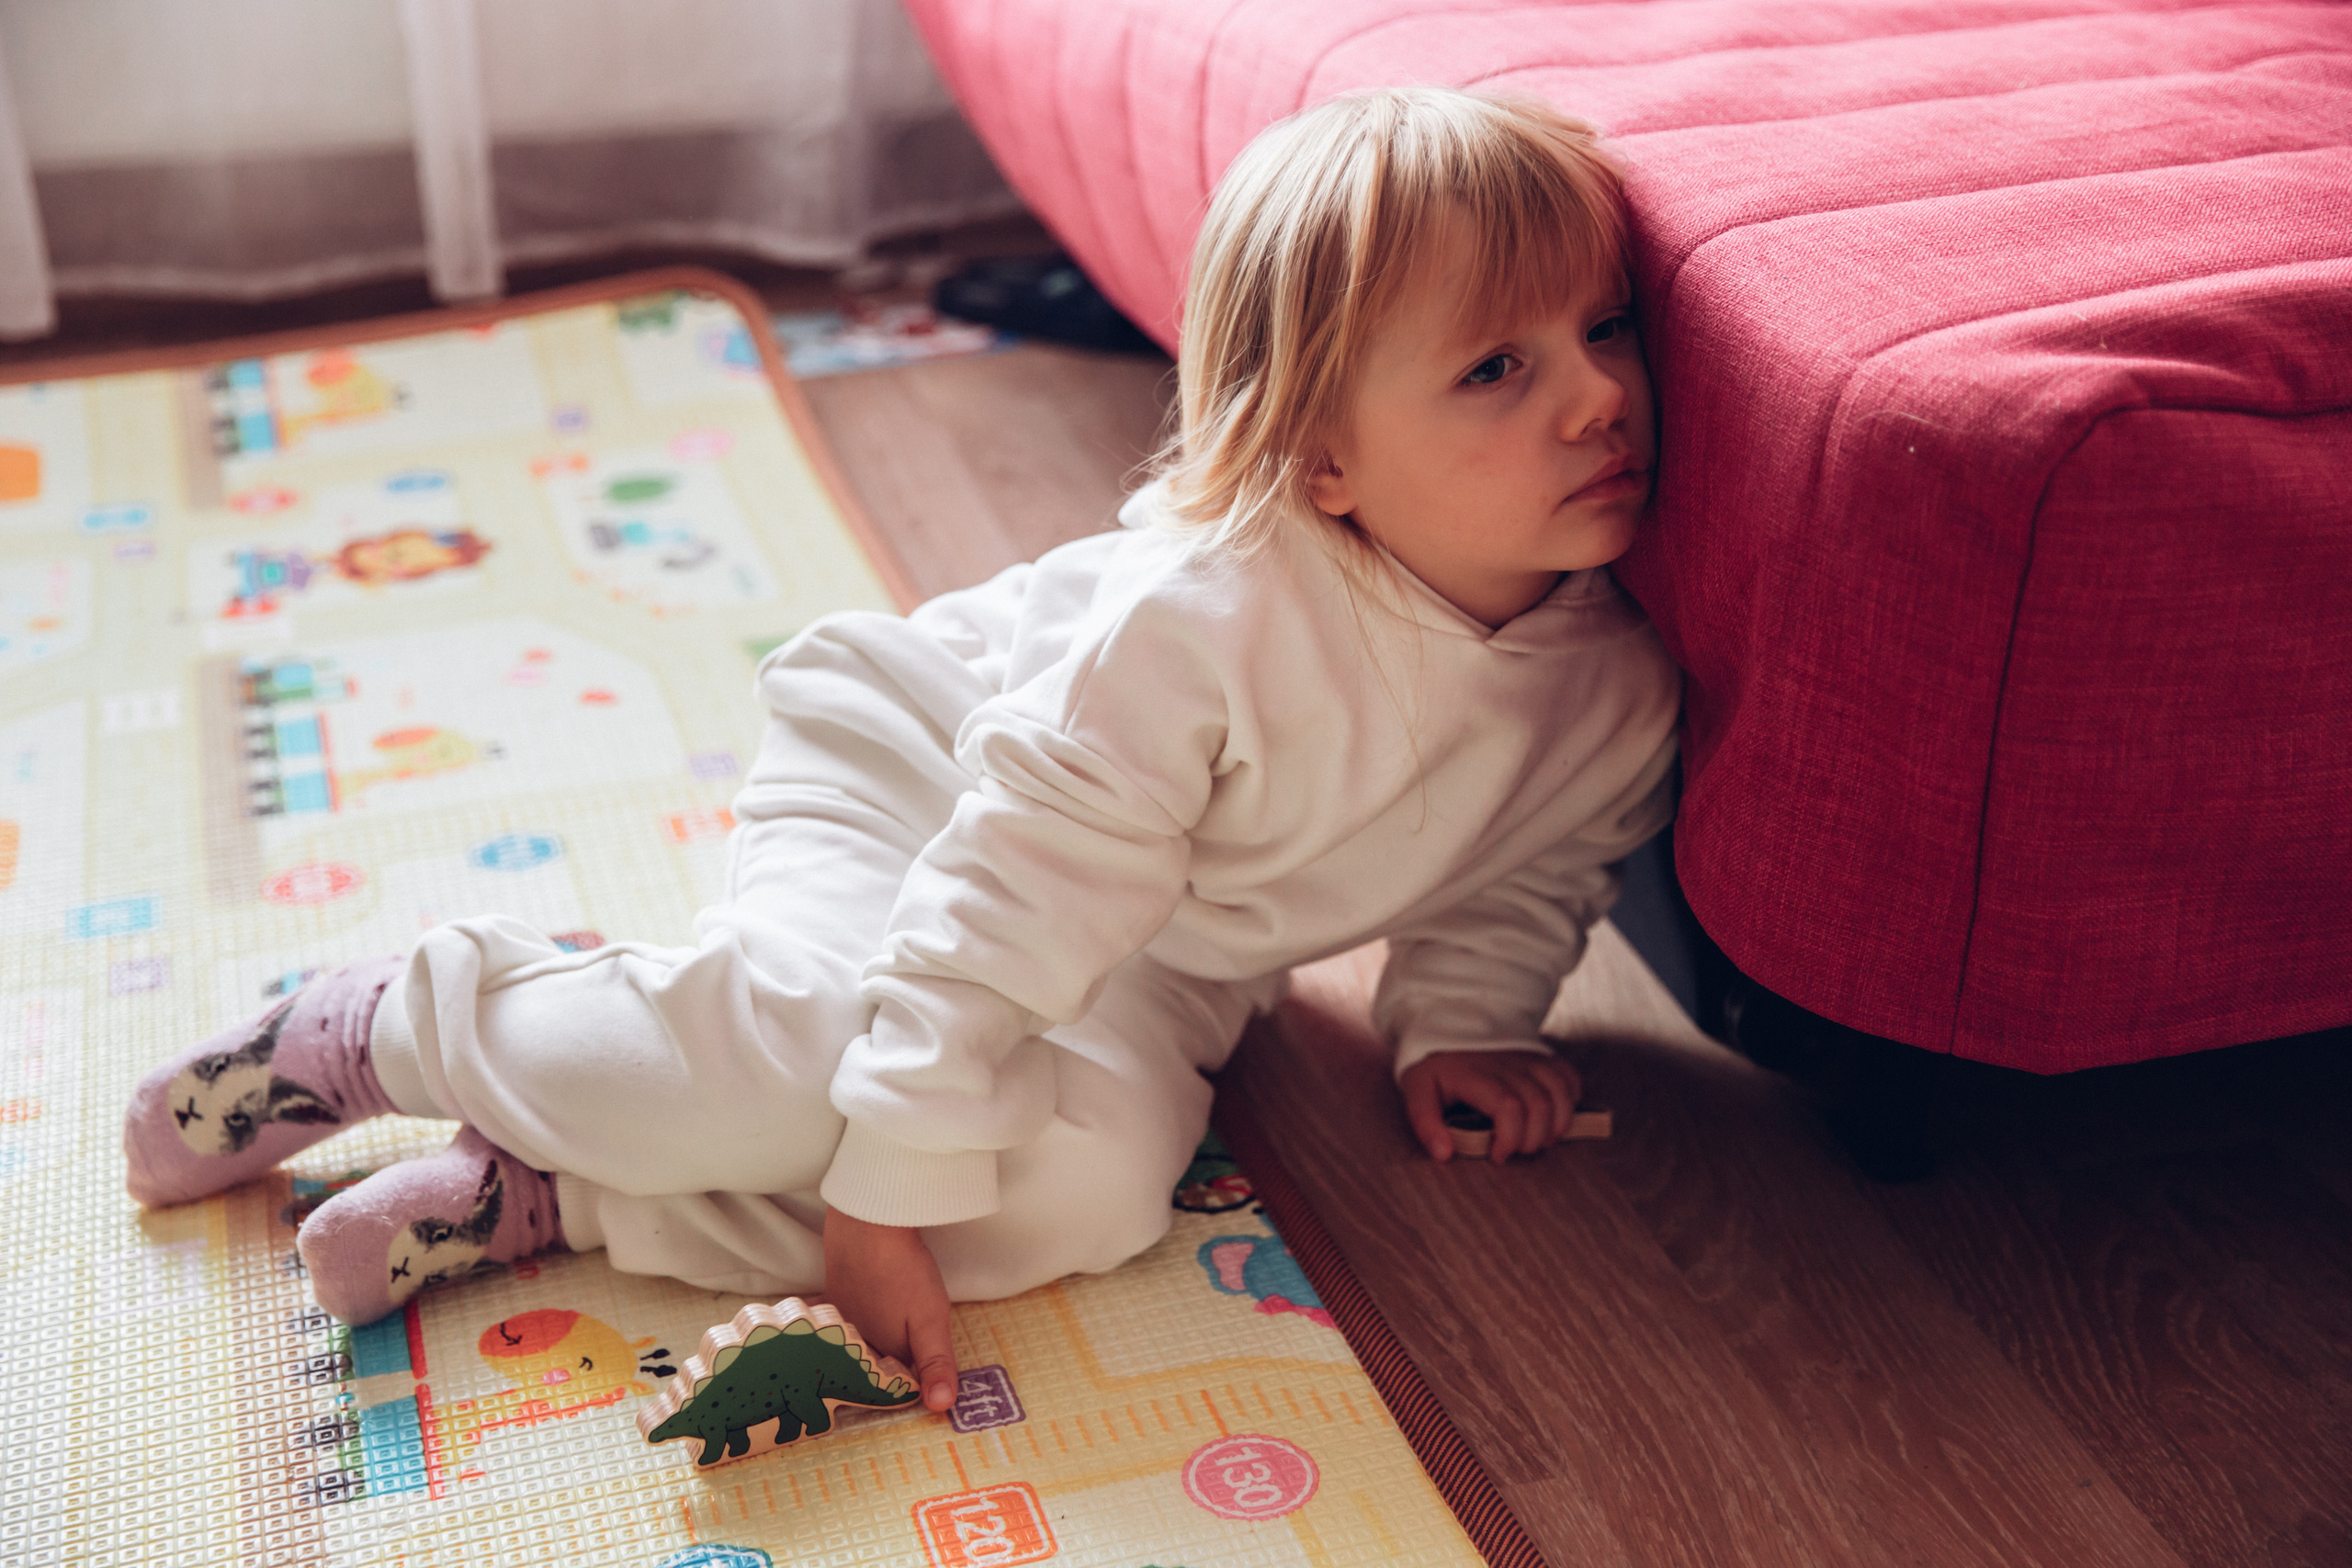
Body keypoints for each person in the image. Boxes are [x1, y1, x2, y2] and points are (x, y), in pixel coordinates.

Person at [121, 86, 1680, 1419]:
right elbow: (1012, 896)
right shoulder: (1203, 620)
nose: (1602, 394)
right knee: (817, 1056)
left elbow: (1530, 867)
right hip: (932, 792)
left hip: (1160, 960)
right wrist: (876, 1190)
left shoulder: (1612, 695)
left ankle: (549, 1193)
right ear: (1321, 460)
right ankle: (385, 1028)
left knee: (1097, 1192)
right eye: (1499, 368)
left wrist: (1464, 1022)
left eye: (1602, 328)